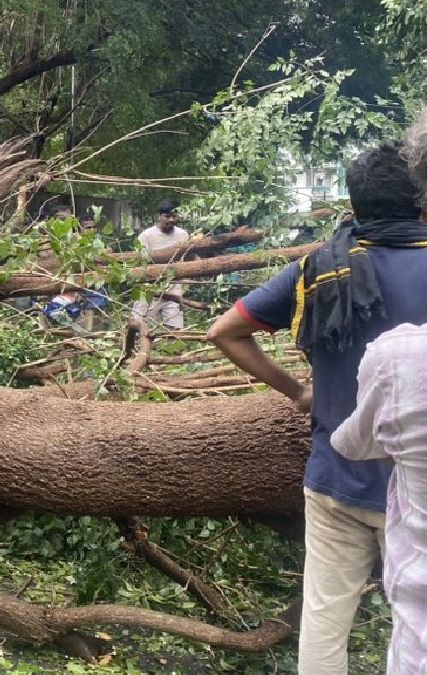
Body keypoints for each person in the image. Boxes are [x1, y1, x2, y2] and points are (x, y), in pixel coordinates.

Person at [207, 141, 427, 674]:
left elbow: (225, 330)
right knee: (416, 626)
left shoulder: (318, 267)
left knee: (324, 627)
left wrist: (297, 392)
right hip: (419, 492)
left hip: (335, 480)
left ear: (353, 208)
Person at [331, 323, 427, 672]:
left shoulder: (399, 352)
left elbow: (352, 443)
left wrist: (298, 393)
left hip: (338, 484)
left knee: (326, 609)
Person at [132, 199, 190, 330]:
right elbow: (140, 264)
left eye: (173, 216)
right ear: (159, 216)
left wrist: (185, 283)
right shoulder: (146, 236)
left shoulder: (183, 235)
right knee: (138, 327)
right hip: (149, 291)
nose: (170, 219)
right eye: (167, 216)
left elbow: (188, 260)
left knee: (175, 330)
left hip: (173, 291)